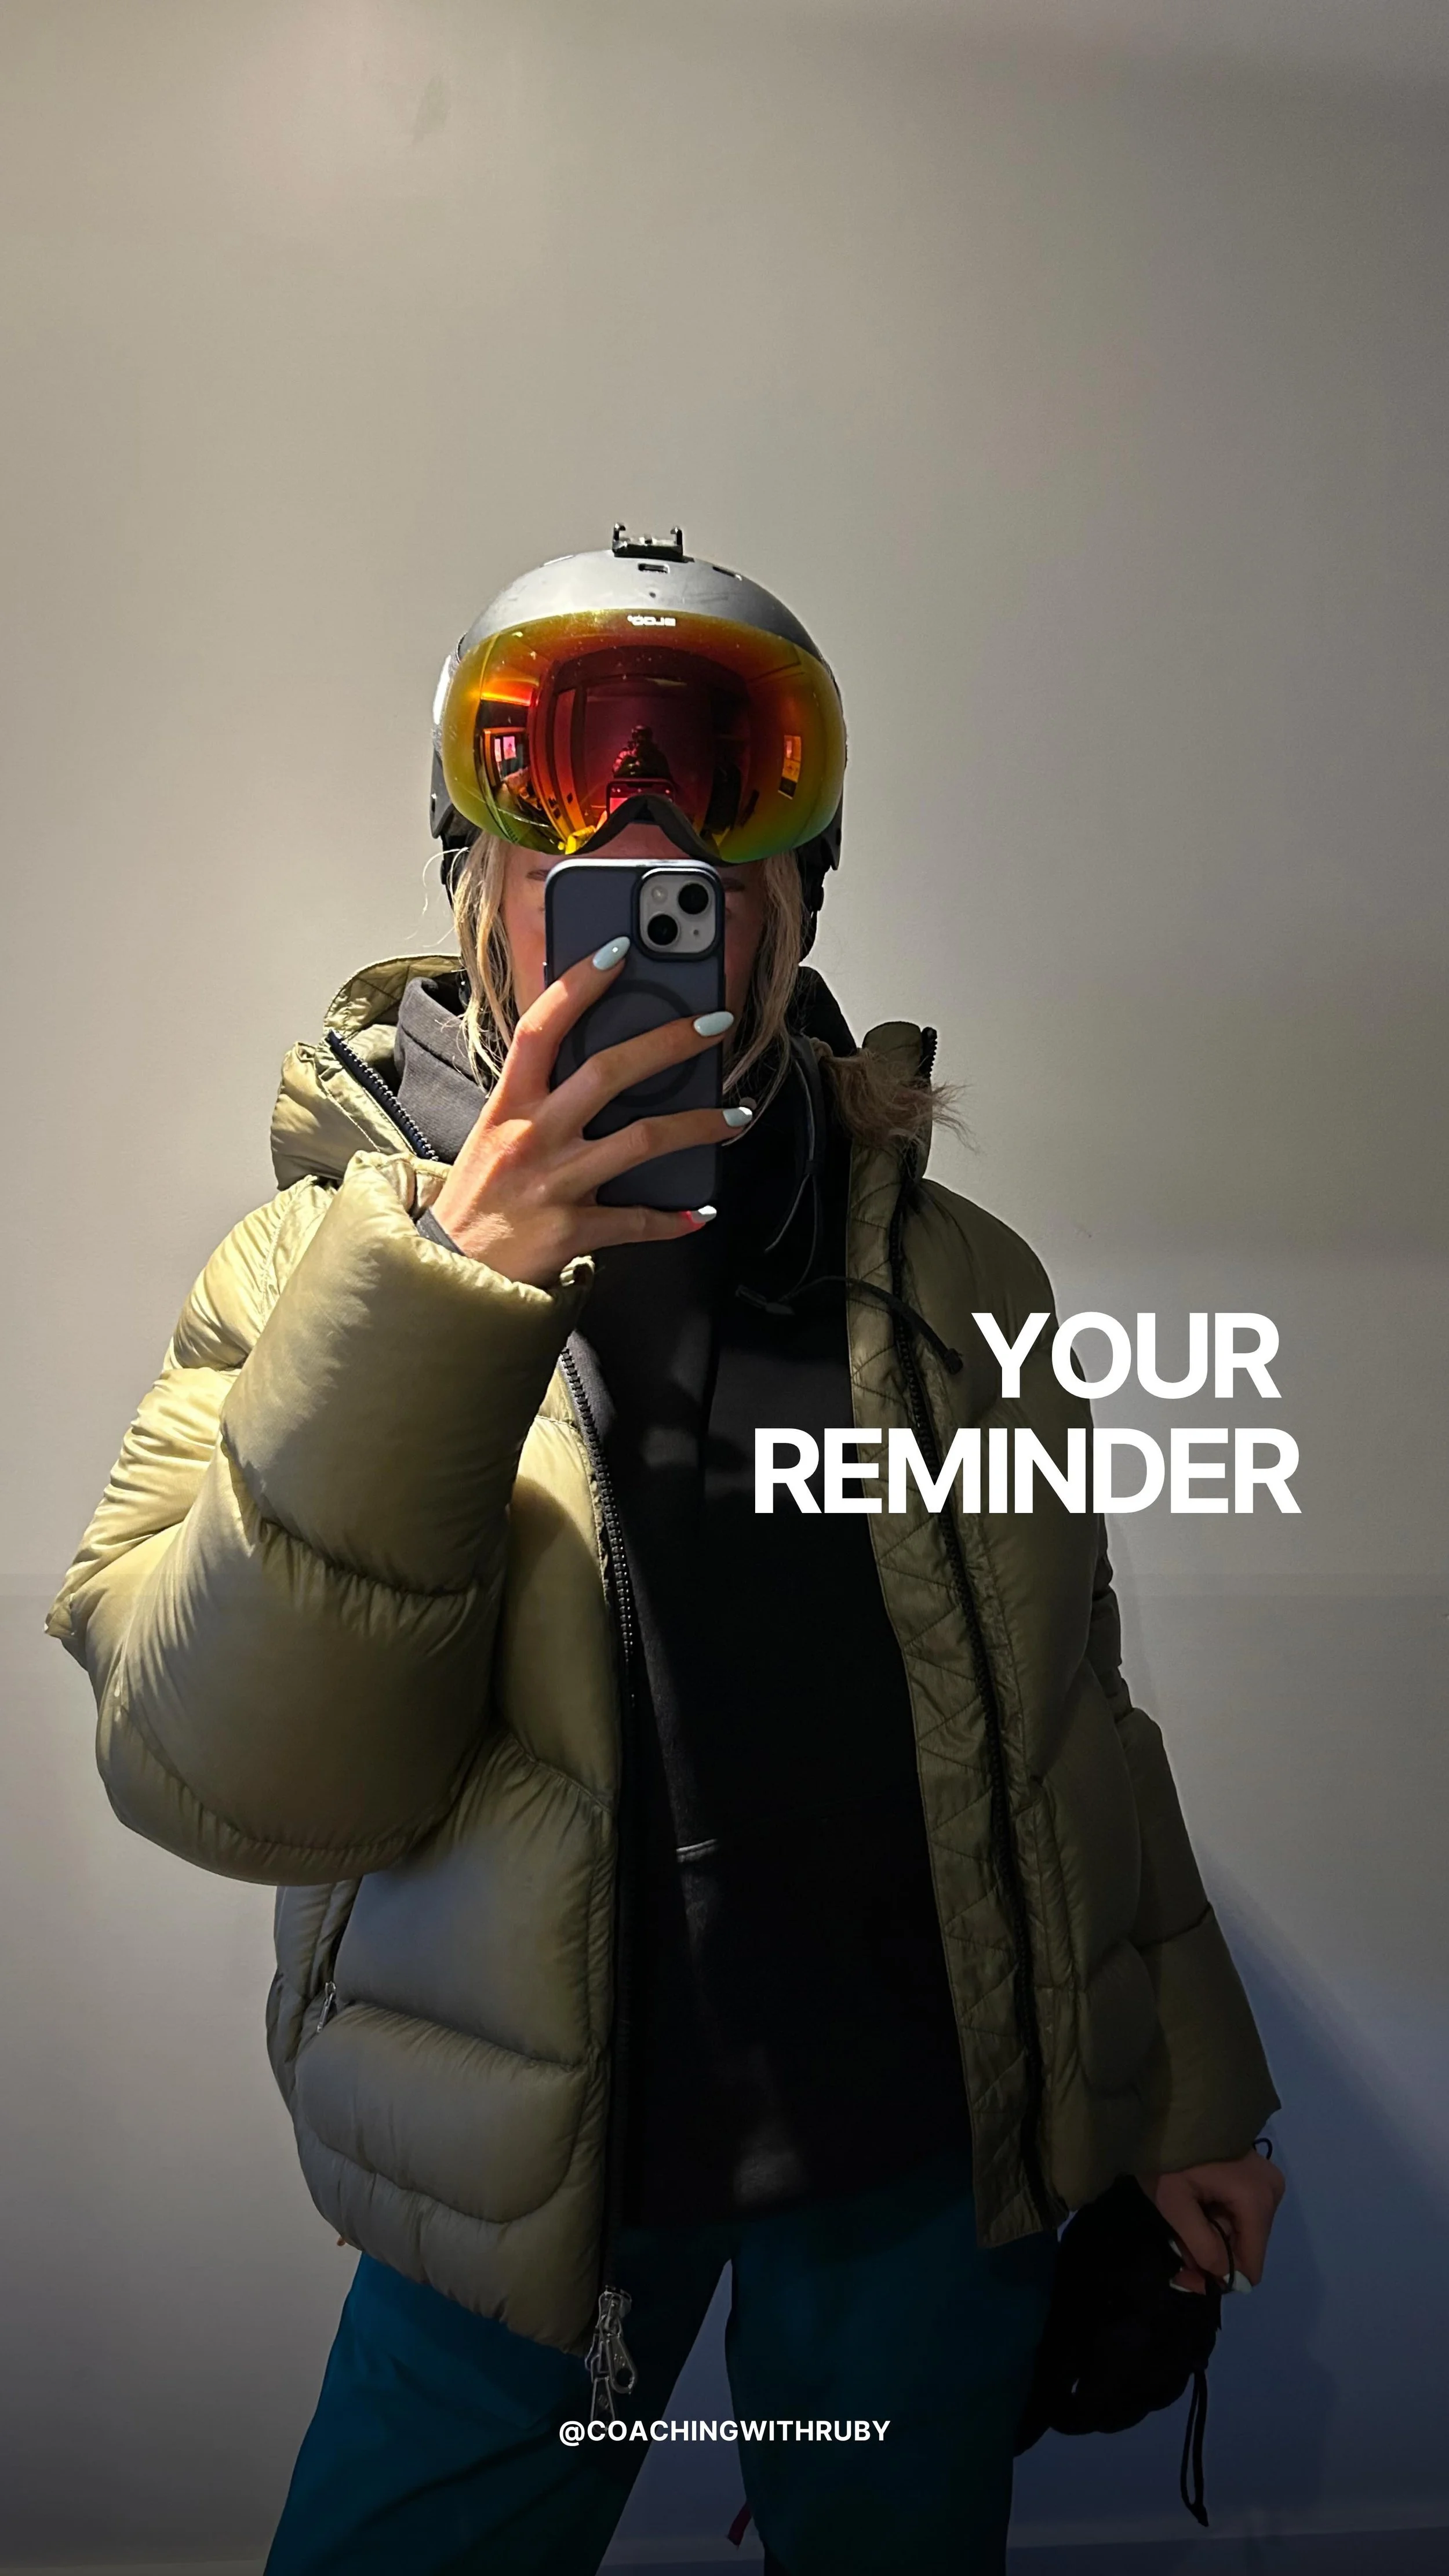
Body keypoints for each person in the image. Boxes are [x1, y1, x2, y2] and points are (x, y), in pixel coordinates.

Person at [48, 532, 1284, 2576]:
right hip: (531, 2184)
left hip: (921, 2165)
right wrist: (446, 1290)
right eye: (568, 803)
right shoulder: (310, 1272)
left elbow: (1072, 1714)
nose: (647, 855)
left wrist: (1191, 2100)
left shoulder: (963, 1277)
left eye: (716, 807)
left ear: (792, 896)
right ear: (479, 881)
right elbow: (221, 1772)